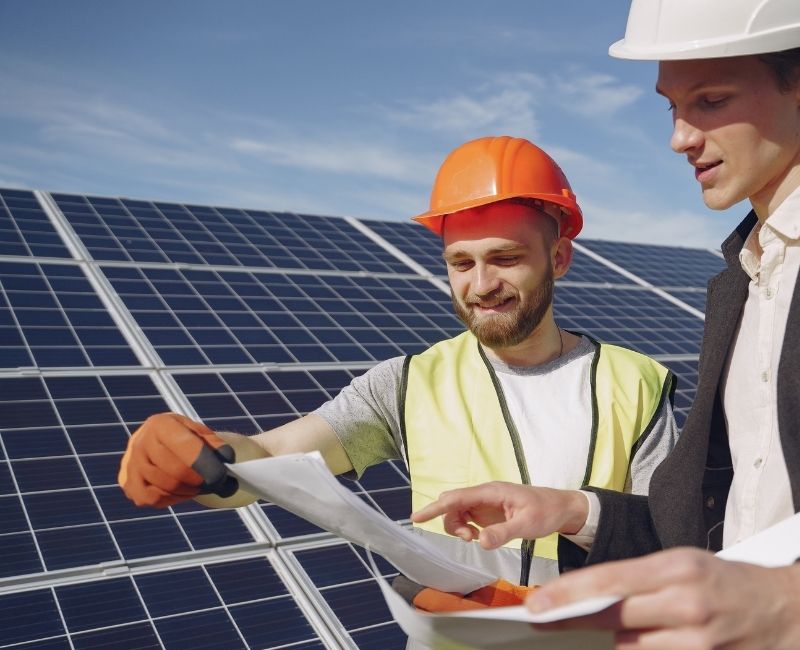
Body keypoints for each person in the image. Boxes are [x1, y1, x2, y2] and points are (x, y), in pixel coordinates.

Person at [118, 135, 678, 592]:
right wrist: (200, 458)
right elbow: (270, 460)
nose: (481, 285)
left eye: (505, 259)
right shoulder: (408, 384)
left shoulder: (636, 383)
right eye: (461, 263)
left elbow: (674, 539)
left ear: (558, 258)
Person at [412, 1, 800, 647]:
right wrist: (570, 510)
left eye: (710, 100)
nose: (679, 136)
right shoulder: (743, 285)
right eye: (671, 106)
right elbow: (723, 520)